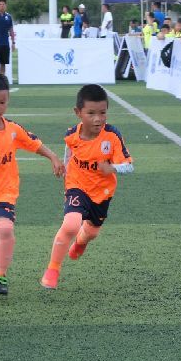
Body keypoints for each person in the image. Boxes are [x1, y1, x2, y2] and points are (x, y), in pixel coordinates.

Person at [0, 72, 64, 294]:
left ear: (8, 100)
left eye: (2, 102)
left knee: (5, 228)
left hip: (5, 193)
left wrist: (53, 157)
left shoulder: (12, 128)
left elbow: (34, 143)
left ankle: (0, 274)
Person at [41, 84, 134, 290]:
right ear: (78, 112)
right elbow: (70, 153)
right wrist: (65, 172)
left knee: (91, 232)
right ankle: (53, 269)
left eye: (102, 113)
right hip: (77, 185)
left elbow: (129, 166)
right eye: (91, 113)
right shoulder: (72, 134)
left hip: (102, 193)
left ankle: (81, 242)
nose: (98, 119)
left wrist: (112, 168)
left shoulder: (112, 136)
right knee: (71, 224)